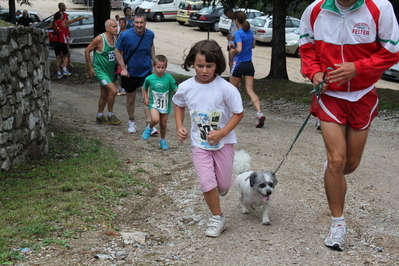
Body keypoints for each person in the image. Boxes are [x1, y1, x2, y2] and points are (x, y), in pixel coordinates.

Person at [299, 0, 399, 251]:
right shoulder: (314, 10)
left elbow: (392, 51)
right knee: (336, 160)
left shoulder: (380, 7)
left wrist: (358, 67)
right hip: (330, 96)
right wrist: (314, 74)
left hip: (362, 94)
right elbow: (306, 47)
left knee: (350, 164)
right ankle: (338, 224)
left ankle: (333, 171)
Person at [172, 40, 244, 237]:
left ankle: (220, 188)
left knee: (223, 185)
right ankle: (217, 217)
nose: (204, 70)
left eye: (209, 66)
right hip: (200, 144)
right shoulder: (186, 87)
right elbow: (178, 104)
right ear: (192, 64)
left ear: (218, 65)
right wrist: (180, 126)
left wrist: (221, 132)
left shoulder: (226, 88)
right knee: (206, 181)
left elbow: (238, 113)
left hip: (224, 143)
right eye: (199, 65)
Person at [115, 13, 157, 134]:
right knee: (130, 99)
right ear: (133, 22)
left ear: (145, 22)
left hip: (146, 71)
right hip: (130, 72)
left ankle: (149, 125)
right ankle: (131, 121)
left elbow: (151, 47)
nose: (139, 25)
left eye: (141, 22)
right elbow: (118, 51)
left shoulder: (150, 34)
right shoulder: (125, 35)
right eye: (137, 22)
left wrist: (154, 63)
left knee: (147, 98)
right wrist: (123, 68)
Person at [229, 11, 265, 128]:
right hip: (249, 64)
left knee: (231, 90)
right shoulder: (249, 32)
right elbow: (253, 45)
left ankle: (230, 114)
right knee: (250, 90)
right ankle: (260, 113)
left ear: (236, 21)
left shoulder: (239, 33)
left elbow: (239, 49)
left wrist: (232, 50)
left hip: (239, 64)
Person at [84, 19, 122, 125]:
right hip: (100, 71)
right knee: (113, 91)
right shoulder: (99, 39)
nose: (116, 28)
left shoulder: (115, 38)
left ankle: (99, 116)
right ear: (107, 28)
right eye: (114, 27)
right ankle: (110, 114)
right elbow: (87, 51)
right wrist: (90, 68)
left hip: (110, 71)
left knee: (104, 94)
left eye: (116, 26)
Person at [142, 55, 178, 149]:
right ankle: (149, 128)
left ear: (166, 67)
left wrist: (181, 93)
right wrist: (145, 98)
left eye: (163, 68)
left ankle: (162, 140)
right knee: (155, 119)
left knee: (163, 124)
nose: (160, 70)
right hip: (154, 103)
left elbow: (175, 89)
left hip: (165, 104)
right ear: (153, 67)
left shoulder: (169, 78)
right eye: (158, 67)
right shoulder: (149, 78)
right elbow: (144, 88)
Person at [52, 12, 88, 79]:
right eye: (62, 15)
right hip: (63, 41)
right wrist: (83, 17)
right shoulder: (64, 22)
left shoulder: (53, 23)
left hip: (55, 42)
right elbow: (75, 19)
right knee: (65, 56)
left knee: (58, 58)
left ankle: (58, 73)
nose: (63, 16)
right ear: (60, 16)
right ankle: (65, 70)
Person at [115, 17, 127, 96]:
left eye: (123, 23)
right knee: (118, 72)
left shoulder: (126, 33)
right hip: (119, 54)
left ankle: (124, 88)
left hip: (124, 55)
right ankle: (119, 86)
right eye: (120, 23)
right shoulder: (119, 33)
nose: (121, 24)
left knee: (123, 71)